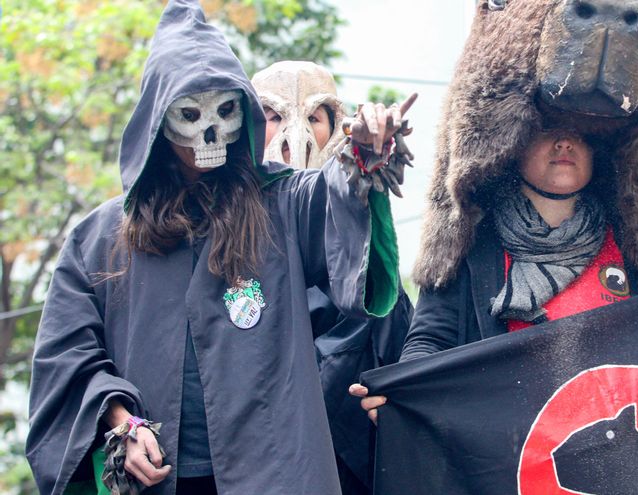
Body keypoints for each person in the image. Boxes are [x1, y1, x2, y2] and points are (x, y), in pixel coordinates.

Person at [26, 1, 413, 494]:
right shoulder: (98, 239)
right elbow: (68, 358)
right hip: (157, 480)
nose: (210, 132)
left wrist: (363, 159)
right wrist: (122, 422)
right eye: (191, 114)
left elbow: (333, 200)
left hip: (274, 477)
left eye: (225, 110)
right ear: (158, 120)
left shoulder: (282, 203)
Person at [351, 128, 638, 421]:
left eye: (578, 135)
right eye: (547, 132)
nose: (564, 144)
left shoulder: (632, 247)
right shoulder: (469, 245)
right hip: (508, 459)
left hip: (615, 458)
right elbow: (429, 343)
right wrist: (399, 395)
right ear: (515, 143)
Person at [252, 61, 413, 495]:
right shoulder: (223, 241)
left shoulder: (366, 256)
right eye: (273, 117)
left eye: (313, 117)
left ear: (336, 127)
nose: (294, 137)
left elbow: (404, 360)